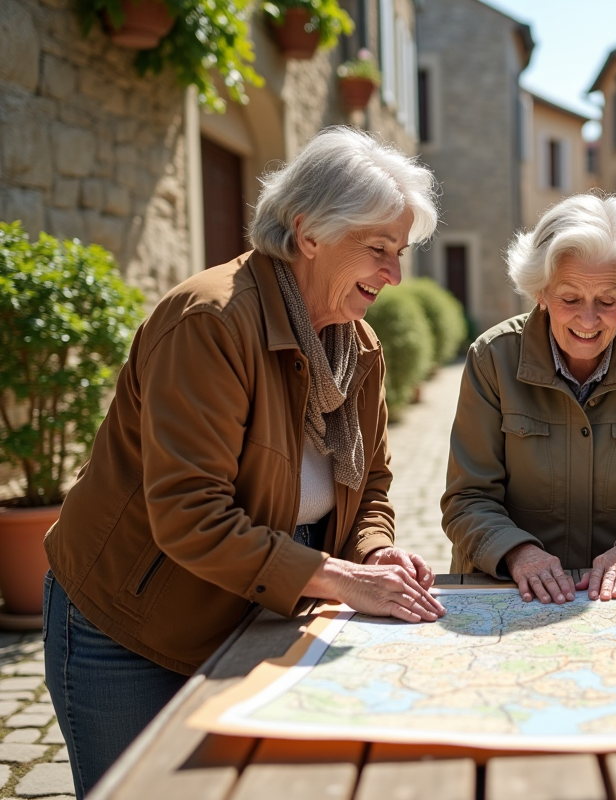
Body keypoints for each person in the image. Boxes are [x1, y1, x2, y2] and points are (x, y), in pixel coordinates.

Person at [42, 127, 447, 796]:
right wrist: (341, 579)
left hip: (257, 613)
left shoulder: (360, 346)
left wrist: (373, 552)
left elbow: (370, 483)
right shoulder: (211, 321)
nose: (393, 275)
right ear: (308, 232)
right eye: (378, 250)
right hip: (129, 628)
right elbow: (189, 514)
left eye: (399, 252)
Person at [441, 193, 616, 605]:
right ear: (540, 292)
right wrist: (517, 553)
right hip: (507, 594)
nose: (588, 320)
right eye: (569, 299)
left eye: (608, 300)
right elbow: (467, 498)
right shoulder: (492, 358)